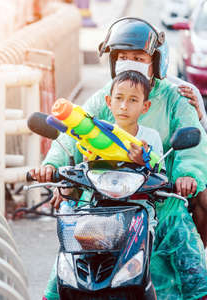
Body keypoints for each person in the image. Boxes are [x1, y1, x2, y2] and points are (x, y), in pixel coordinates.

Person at [33, 18, 207, 300]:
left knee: (185, 247)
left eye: (138, 57)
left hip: (158, 198)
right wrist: (51, 166)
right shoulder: (106, 97)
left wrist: (187, 175)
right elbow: (72, 134)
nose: (129, 62)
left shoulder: (175, 98)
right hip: (101, 195)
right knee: (72, 244)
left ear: (154, 61)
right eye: (122, 57)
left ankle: (202, 294)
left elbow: (195, 147)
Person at [30, 69, 165, 300]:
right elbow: (78, 175)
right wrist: (56, 179)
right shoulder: (93, 134)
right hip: (95, 214)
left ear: (145, 107)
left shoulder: (149, 139)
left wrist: (144, 161)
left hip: (136, 215)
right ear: (108, 102)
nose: (124, 106)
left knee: (139, 270)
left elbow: (160, 174)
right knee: (71, 253)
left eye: (133, 100)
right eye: (119, 98)